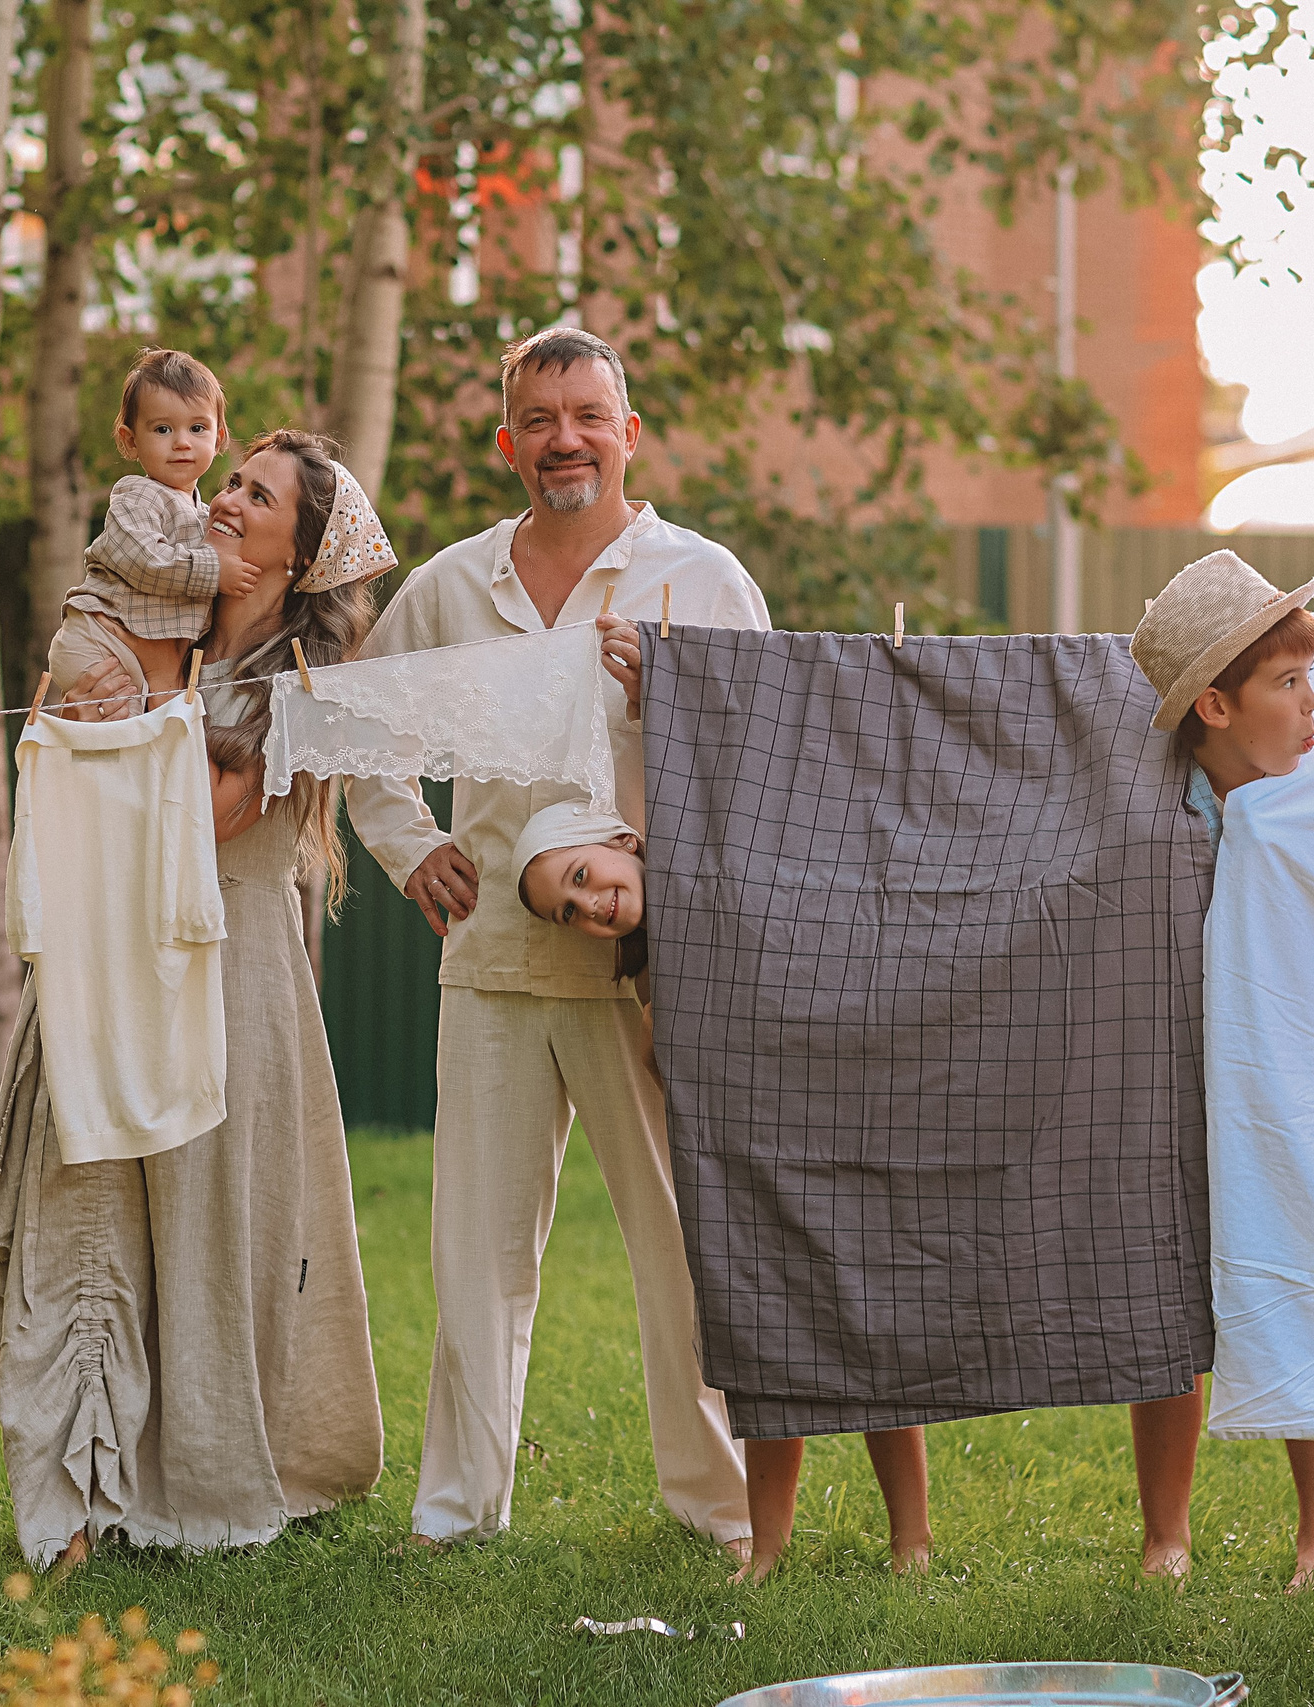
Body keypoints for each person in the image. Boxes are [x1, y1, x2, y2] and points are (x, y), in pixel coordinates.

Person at [344, 325, 767, 1555]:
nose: (564, 439)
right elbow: (367, 725)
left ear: (628, 435)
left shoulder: (702, 578)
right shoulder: (451, 585)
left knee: (680, 1253)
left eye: (588, 415)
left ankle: (720, 1509)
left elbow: (771, 761)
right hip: (489, 960)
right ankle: (456, 1514)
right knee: (475, 1254)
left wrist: (667, 697)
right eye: (540, 420)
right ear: (507, 444)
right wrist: (402, 841)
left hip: (650, 969)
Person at [0, 428, 393, 1566]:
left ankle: (199, 1474)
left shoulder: (302, 682)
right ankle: (76, 1495)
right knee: (86, 1208)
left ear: (298, 555)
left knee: (209, 1230)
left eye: (257, 495)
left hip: (226, 970)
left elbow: (198, 818)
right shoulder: (154, 626)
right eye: (232, 479)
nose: (225, 499)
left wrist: (121, 716)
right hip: (109, 958)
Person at [512, 799, 932, 1582]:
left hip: (835, 1133)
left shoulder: (718, 871)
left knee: (879, 1343)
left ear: (622, 840)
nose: (589, 906)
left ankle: (912, 1539)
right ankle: (767, 1544)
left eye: (582, 877)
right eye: (570, 912)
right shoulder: (645, 965)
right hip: (753, 1162)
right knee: (769, 1355)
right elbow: (669, 1064)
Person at [1127, 548, 1314, 1594]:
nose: (1312, 706)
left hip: (1291, 1089)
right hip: (1169, 1081)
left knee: (1300, 1280)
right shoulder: (1155, 824)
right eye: (1288, 684)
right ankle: (1163, 1534)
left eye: (1309, 679)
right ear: (1214, 706)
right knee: (1164, 1293)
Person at [62, 347, 229, 704]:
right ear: (130, 440)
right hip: (100, 638)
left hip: (142, 654)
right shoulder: (136, 496)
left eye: (197, 428)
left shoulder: (205, 515)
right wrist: (215, 571)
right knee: (129, 734)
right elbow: (145, 561)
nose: (182, 442)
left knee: (147, 737)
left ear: (218, 438)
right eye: (163, 429)